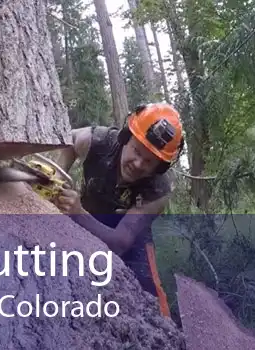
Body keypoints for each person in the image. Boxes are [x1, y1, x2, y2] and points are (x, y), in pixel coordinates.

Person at [52, 103, 185, 318]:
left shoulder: (158, 191)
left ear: (159, 167)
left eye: (149, 162)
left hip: (129, 234)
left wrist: (77, 213)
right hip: (88, 215)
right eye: (136, 151)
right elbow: (70, 140)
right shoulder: (99, 140)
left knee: (149, 289)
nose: (138, 163)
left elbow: (120, 243)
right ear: (125, 138)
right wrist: (58, 177)